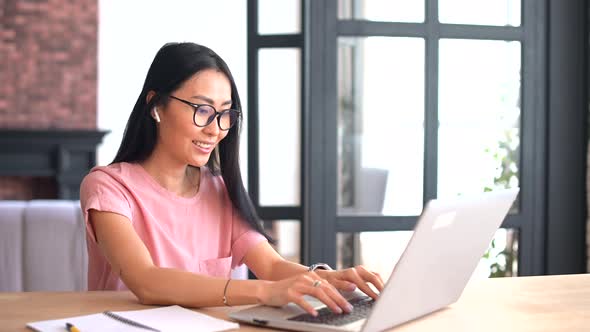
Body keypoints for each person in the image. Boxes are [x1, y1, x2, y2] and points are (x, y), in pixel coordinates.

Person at [80, 42, 383, 316]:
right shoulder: (108, 189)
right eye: (202, 110)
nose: (215, 129)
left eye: (225, 114)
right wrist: (264, 291)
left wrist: (325, 278)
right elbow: (145, 280)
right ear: (156, 105)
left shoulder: (218, 189)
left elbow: (272, 265)